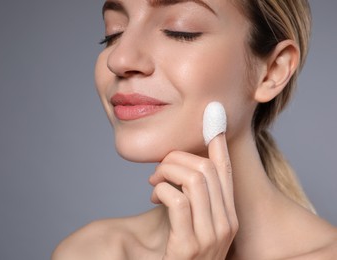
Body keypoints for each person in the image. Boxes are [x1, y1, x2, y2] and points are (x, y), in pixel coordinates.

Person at [52, 0, 337, 259]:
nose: (119, 59)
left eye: (180, 30)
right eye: (114, 33)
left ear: (273, 70)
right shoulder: (90, 252)